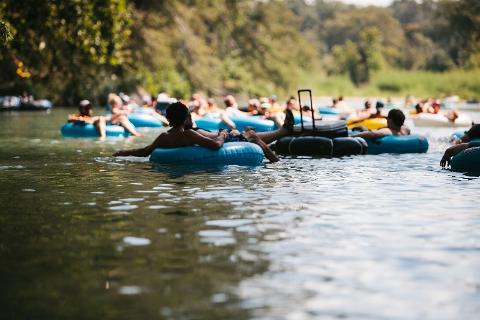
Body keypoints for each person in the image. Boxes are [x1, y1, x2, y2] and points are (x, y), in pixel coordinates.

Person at [113, 102, 295, 162]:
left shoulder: (163, 137)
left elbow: (144, 151)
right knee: (251, 136)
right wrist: (223, 135)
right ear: (186, 118)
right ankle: (276, 162)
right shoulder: (188, 134)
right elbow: (216, 145)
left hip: (217, 139)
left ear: (168, 120)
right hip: (223, 140)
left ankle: (281, 132)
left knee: (244, 134)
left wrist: (123, 152)